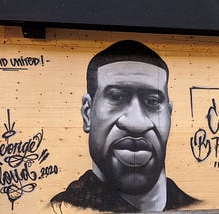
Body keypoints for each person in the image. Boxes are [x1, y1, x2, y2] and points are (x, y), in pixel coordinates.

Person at [50, 40, 198, 212]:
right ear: (87, 114)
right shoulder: (62, 209)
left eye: (153, 101)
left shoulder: (194, 207)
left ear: (169, 116)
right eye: (116, 97)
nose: (136, 123)